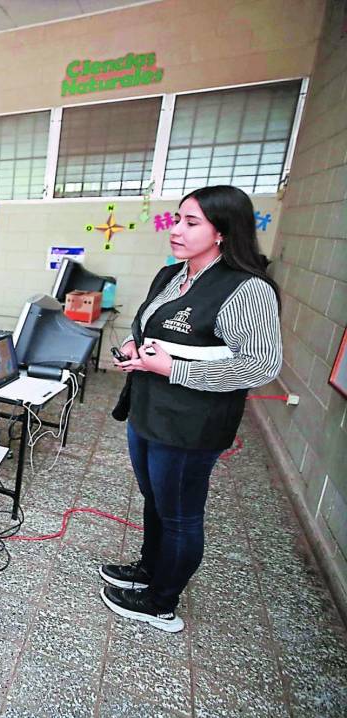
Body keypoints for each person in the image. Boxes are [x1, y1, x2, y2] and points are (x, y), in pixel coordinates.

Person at [101, 185, 282, 633]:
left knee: (179, 513)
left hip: (191, 424)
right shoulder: (170, 275)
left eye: (190, 223)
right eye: (177, 219)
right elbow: (144, 325)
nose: (175, 230)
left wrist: (173, 370)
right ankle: (149, 569)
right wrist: (131, 346)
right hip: (148, 411)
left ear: (222, 232)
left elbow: (261, 363)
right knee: (155, 498)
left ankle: (162, 602)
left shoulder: (246, 289)